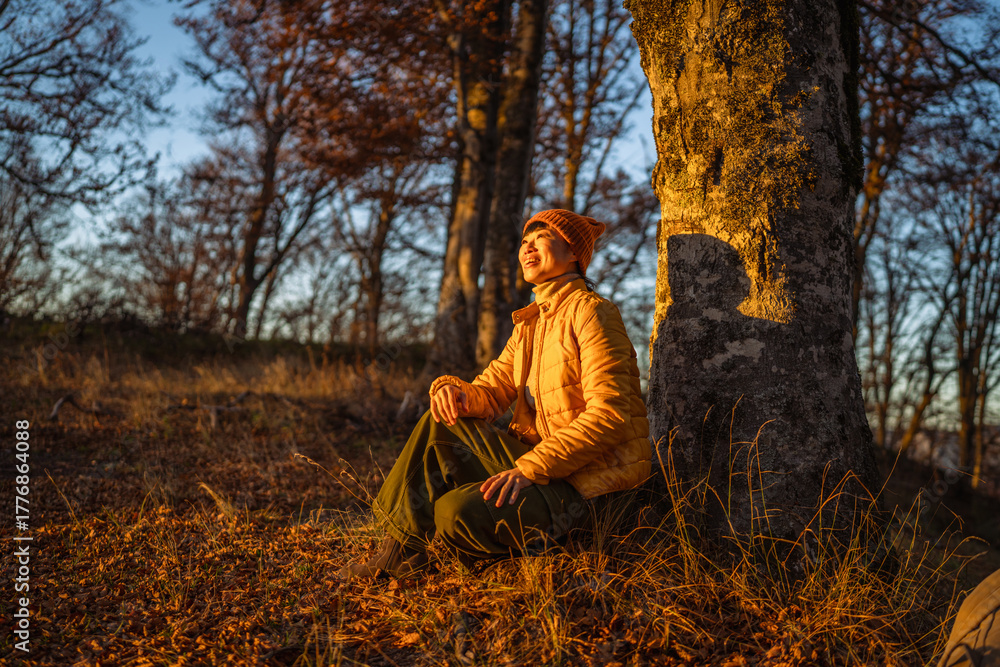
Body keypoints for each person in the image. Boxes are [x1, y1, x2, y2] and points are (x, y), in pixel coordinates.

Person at [341, 208, 652, 580]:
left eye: (540, 239)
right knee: (441, 421)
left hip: (589, 488)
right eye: (524, 241)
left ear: (573, 253)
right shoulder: (531, 323)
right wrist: (452, 391)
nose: (527, 248)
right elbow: (490, 390)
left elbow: (611, 416)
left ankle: (558, 548)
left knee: (454, 512)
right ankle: (399, 553)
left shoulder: (593, 313)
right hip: (543, 468)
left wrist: (529, 469)